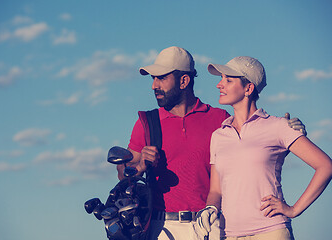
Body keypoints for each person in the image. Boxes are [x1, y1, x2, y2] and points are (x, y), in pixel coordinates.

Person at [117, 47, 305, 240]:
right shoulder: (147, 123)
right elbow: (123, 174)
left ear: (184, 81)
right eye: (153, 79)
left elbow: (252, 152)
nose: (154, 85)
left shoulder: (220, 118)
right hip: (163, 228)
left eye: (161, 78)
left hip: (213, 226)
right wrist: (139, 166)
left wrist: (286, 137)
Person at [196, 56, 332, 240]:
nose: (220, 85)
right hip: (229, 235)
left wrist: (294, 209)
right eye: (221, 79)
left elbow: (325, 166)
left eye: (228, 80)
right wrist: (210, 209)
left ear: (248, 88)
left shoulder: (278, 126)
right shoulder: (218, 136)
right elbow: (216, 191)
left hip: (271, 231)